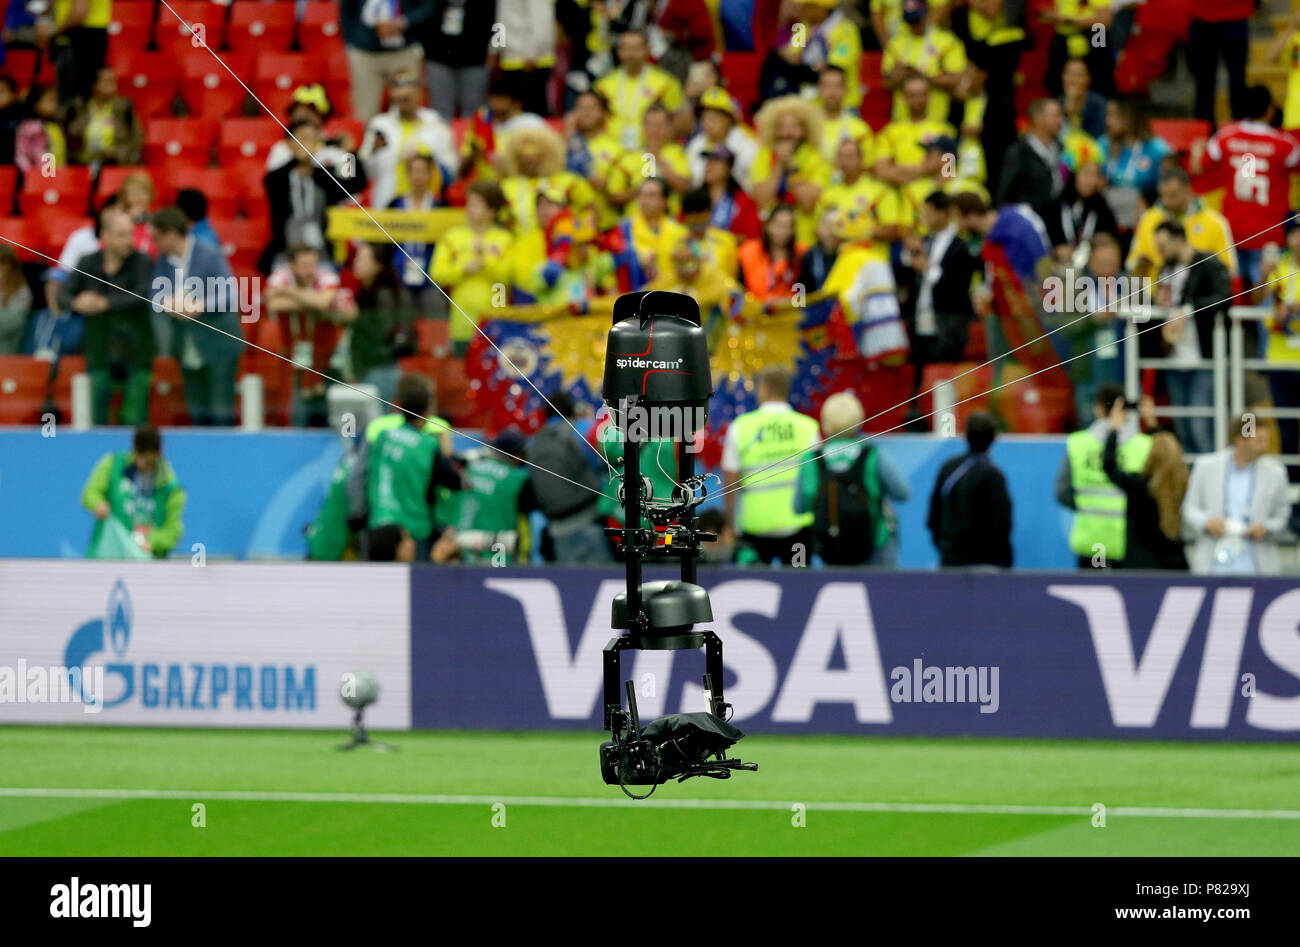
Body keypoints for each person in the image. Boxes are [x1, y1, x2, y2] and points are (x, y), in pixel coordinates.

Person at [1192, 86, 1300, 296]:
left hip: (1232, 232)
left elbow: (1199, 168)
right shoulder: (1285, 145)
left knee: (1228, 298)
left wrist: (1196, 150)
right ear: (1270, 110)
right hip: (1269, 235)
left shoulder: (1224, 137)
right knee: (1268, 302)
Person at [348, 372, 463, 560]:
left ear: (399, 405)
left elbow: (357, 476)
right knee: (418, 585)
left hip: (380, 525)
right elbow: (452, 480)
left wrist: (358, 510)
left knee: (377, 585)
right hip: (414, 531)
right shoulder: (429, 443)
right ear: (428, 410)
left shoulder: (381, 433)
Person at [150, 206, 245, 427]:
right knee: (196, 410)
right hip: (187, 344)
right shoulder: (164, 261)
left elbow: (231, 294)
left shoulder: (208, 252)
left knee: (220, 412)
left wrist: (199, 306)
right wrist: (169, 303)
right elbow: (154, 295)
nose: (155, 244)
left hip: (218, 342)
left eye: (157, 238)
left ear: (172, 234)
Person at [59, 207, 154, 425]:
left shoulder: (142, 262)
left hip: (137, 350)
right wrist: (78, 302)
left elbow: (140, 296)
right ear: (105, 236)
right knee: (95, 415)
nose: (128, 241)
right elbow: (64, 295)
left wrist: (103, 303)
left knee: (133, 417)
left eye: (130, 234)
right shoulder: (88, 262)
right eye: (121, 235)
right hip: (99, 348)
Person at [795, 390, 910, 566]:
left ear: (825, 424)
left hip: (830, 547)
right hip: (875, 546)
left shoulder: (811, 460)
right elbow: (903, 493)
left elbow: (799, 507)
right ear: (859, 421)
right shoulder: (873, 455)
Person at [722, 366, 821, 566]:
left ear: (764, 388)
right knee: (799, 591)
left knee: (755, 593)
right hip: (798, 529)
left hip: (755, 528)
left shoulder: (741, 427)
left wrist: (730, 525)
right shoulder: (807, 427)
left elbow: (730, 482)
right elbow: (817, 480)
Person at [1152, 219, 1232, 455]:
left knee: (1200, 427)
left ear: (1179, 240)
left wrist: (1188, 311)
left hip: (1204, 357)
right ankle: (1187, 483)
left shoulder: (1208, 263)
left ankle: (1208, 484)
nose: (1161, 252)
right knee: (1183, 428)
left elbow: (1224, 296)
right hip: (1174, 356)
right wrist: (1158, 305)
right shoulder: (1164, 269)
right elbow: (1164, 306)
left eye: (1164, 246)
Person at [1056, 382, 1152, 567]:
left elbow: (1063, 491)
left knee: (1094, 593)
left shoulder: (1079, 444)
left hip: (1095, 540)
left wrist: (1087, 506)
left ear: (1098, 408)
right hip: (1131, 541)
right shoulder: (1144, 445)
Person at [1182, 414, 1292, 575]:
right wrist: (1207, 522)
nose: (1265, 446)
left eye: (1266, 440)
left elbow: (1282, 514)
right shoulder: (1206, 466)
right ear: (1241, 440)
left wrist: (1266, 527)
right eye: (1259, 440)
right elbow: (1190, 508)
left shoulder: (1276, 472)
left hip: (1257, 566)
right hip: (1213, 566)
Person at [264, 244, 359, 426]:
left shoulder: (326, 276)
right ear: (291, 266)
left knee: (333, 411)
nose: (310, 270)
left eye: (313, 264)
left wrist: (291, 293)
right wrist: (311, 300)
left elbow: (324, 302)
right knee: (299, 414)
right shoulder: (280, 276)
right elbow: (273, 303)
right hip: (296, 358)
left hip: (329, 357)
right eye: (305, 265)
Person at [261, 121, 366, 272]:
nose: (304, 144)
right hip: (286, 256)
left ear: (317, 143)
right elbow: (271, 181)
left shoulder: (324, 176)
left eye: (310, 139)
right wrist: (299, 159)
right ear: (289, 143)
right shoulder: (277, 179)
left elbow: (355, 185)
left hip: (320, 256)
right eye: (300, 139)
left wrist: (350, 154)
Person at [1100, 397, 1189, 570]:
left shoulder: (1139, 486)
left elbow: (1109, 466)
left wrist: (1115, 427)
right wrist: (1151, 422)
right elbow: (1166, 449)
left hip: (1140, 570)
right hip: (1176, 568)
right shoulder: (1185, 486)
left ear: (1150, 457)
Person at [430, 180, 514, 357]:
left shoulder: (505, 239)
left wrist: (486, 261)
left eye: (476, 204)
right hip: (462, 324)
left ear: (492, 211)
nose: (470, 208)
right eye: (469, 203)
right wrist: (463, 269)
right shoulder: (453, 236)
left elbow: (508, 275)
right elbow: (436, 273)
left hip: (495, 324)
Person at [527, 391, 612, 564]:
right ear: (572, 410)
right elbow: (607, 461)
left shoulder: (533, 442)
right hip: (590, 521)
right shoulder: (580, 429)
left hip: (556, 528)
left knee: (574, 587)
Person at [81, 425, 186, 559]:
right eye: (139, 457)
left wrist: (153, 542)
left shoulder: (171, 488)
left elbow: (173, 531)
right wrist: (97, 503)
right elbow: (89, 493)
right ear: (133, 449)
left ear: (159, 453)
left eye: (148, 460)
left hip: (146, 563)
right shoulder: (113, 465)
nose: (142, 464)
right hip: (109, 556)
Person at [926, 411, 1013, 567]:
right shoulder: (993, 475)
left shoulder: (948, 468)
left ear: (966, 435)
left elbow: (933, 516)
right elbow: (1003, 524)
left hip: (951, 560)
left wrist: (946, 547)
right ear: (994, 437)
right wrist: (1004, 560)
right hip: (984, 562)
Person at [359, 72, 457, 210]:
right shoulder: (379, 125)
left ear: (419, 94)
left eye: (406, 99)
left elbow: (451, 168)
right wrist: (373, 152)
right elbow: (365, 172)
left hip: (428, 208)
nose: (402, 104)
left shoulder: (436, 124)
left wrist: (424, 159)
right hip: (387, 204)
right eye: (398, 99)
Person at [437, 428, 536, 564]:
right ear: (517, 455)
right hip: (499, 546)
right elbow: (528, 510)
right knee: (495, 581)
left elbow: (453, 506)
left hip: (464, 543)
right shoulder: (517, 479)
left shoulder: (471, 468)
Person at [1126, 165, 1236, 284]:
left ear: (1188, 189)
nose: (1167, 201)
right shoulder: (1149, 218)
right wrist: (1141, 264)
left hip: (1198, 298)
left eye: (1173, 195)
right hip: (1156, 296)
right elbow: (1131, 265)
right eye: (1163, 195)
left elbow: (1229, 270)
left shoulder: (1215, 222)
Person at [339, 0, 433, 124]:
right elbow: (346, 9)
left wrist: (405, 21)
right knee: (365, 112)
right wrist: (352, 42)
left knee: (406, 106)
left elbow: (428, 6)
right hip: (366, 53)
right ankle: (369, 141)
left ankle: (407, 143)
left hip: (404, 51)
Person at [594, 29, 684, 150]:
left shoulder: (666, 83)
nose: (631, 54)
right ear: (619, 51)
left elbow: (676, 121)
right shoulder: (603, 85)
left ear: (647, 49)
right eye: (626, 48)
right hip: (610, 151)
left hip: (650, 151)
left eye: (636, 48)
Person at [881, 0, 967, 125]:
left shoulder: (947, 41)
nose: (914, 26)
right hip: (902, 121)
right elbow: (886, 83)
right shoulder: (896, 43)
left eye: (918, 21)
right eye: (910, 22)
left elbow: (958, 79)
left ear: (928, 15)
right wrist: (902, 75)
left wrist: (922, 76)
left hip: (938, 120)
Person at [347, 242, 413, 404]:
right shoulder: (366, 291)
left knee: (376, 418)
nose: (356, 263)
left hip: (381, 367)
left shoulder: (384, 294)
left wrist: (355, 318)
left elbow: (383, 331)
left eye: (362, 259)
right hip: (368, 365)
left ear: (378, 264)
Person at [1098, 99, 1170, 232]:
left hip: (1146, 211)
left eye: (1115, 115)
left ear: (1130, 117)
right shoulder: (1102, 145)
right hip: (1108, 213)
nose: (1108, 120)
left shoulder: (1157, 149)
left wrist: (1147, 204)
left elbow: (1169, 187)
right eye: (1107, 114)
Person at [996, 98, 1066, 232]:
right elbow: (1005, 194)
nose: (1060, 121)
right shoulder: (1018, 153)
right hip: (1028, 228)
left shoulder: (1063, 150)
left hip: (1058, 227)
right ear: (1038, 119)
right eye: (1055, 115)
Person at [420, 0, 495, 120]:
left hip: (474, 58)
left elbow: (492, 19)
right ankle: (442, 138)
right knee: (441, 113)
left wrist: (492, 51)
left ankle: (472, 138)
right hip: (438, 56)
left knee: (473, 111)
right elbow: (424, 16)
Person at [1187, 0, 1252, 127]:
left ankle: (1241, 130)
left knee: (1238, 79)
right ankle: (1204, 131)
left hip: (1236, 13)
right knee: (1204, 80)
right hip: (1202, 13)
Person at [61, 66, 142, 165]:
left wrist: (116, 152)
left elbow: (136, 140)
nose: (112, 85)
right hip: (82, 164)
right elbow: (67, 134)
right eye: (107, 81)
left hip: (114, 164)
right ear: (94, 84)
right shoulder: (79, 107)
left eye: (113, 81)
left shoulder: (125, 108)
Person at [685, 87, 758, 190]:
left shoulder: (746, 144)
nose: (708, 123)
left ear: (728, 119)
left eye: (714, 117)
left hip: (738, 201)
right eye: (704, 117)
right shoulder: (695, 145)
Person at [49, 0, 111, 106]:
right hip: (89, 35)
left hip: (80, 36)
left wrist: (53, 31)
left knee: (73, 100)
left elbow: (79, 12)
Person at [737, 204, 803, 301]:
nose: (782, 231)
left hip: (789, 312)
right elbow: (738, 290)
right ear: (768, 225)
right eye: (778, 225)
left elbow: (804, 299)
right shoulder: (749, 251)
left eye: (788, 226)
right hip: (755, 311)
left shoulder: (801, 255)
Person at [0, 245, 33, 355]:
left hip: (8, 353)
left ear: (10, 266)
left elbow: (12, 324)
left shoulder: (21, 291)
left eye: (2, 264)